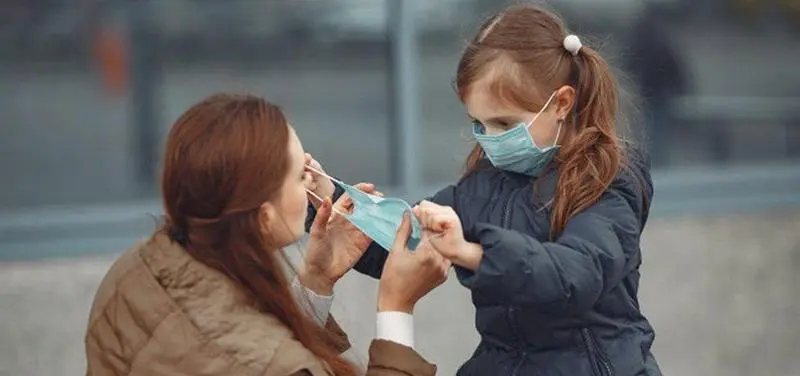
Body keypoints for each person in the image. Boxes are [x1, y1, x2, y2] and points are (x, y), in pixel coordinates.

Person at [307, 4, 661, 376]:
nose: (490, 140)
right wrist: (327, 200)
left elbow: (573, 276)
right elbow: (403, 241)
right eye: (479, 123)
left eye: (504, 123)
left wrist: (473, 253)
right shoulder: (484, 183)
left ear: (561, 103)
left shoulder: (607, 180)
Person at [84, 93, 450, 376]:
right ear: (264, 216)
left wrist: (315, 282)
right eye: (298, 174)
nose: (314, 177)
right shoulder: (276, 367)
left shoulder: (135, 269)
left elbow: (244, 331)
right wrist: (396, 309)